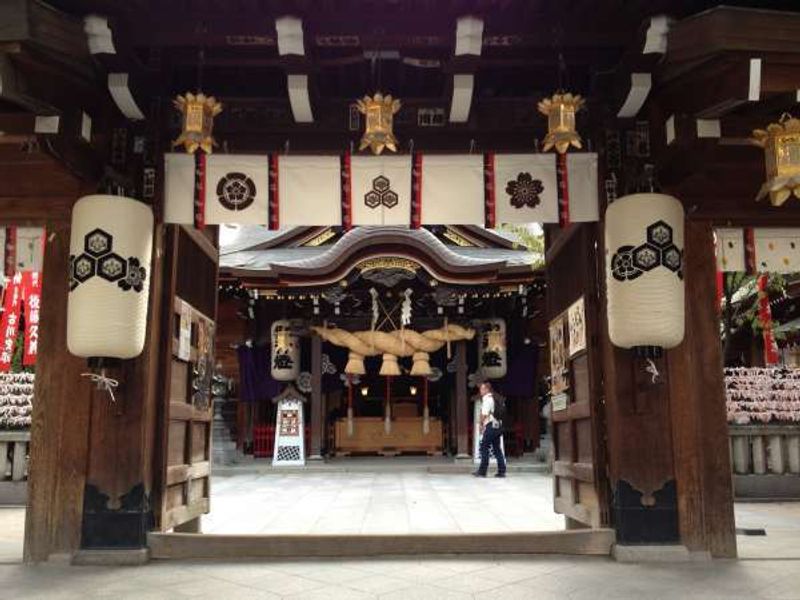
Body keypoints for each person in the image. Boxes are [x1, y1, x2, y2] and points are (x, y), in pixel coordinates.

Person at [473, 381, 507, 478]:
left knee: (484, 447)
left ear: (487, 389)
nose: (481, 390)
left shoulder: (487, 399)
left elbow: (484, 414)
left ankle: (482, 471)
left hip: (491, 426)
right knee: (496, 448)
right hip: (497, 426)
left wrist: (480, 425)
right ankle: (502, 470)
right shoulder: (494, 398)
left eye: (482, 389)